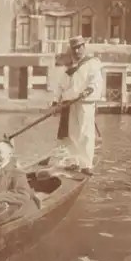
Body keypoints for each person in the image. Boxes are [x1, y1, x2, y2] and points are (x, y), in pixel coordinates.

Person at [51, 35, 103, 175]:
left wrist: (89, 89)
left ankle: (86, 164)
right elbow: (60, 87)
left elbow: (95, 81)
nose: (77, 51)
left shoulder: (92, 63)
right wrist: (56, 101)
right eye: (74, 48)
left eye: (80, 47)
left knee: (85, 133)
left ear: (84, 47)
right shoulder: (70, 68)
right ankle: (74, 162)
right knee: (72, 134)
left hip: (85, 102)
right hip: (70, 103)